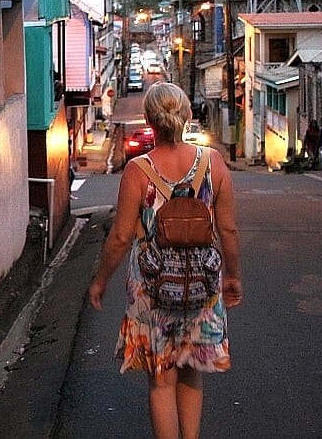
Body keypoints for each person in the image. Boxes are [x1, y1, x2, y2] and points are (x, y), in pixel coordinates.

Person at [88, 82, 242, 439]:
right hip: (202, 286)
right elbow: (229, 230)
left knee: (162, 378)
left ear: (149, 121)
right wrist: (232, 275)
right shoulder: (213, 162)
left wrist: (100, 281)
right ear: (186, 116)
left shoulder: (138, 170)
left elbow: (122, 237)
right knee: (191, 370)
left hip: (153, 289)